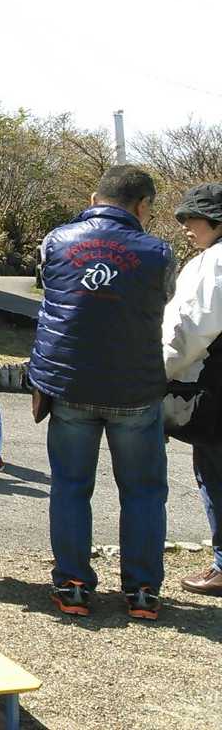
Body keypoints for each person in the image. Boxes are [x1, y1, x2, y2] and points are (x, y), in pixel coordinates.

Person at [29, 165, 173, 620]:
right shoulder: (159, 253)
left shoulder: (56, 241)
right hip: (134, 388)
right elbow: (161, 301)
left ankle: (72, 585)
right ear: (143, 205)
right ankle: (143, 590)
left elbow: (51, 294)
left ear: (94, 199)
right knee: (143, 490)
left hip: (69, 383)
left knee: (71, 487)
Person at [161, 183, 222, 597]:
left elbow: (189, 331)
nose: (186, 226)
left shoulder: (212, 263)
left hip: (216, 386)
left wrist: (158, 372)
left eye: (192, 218)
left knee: (214, 472)